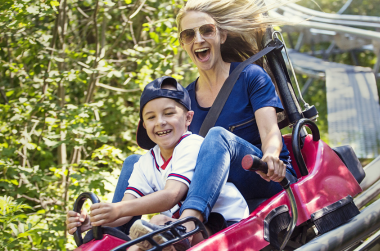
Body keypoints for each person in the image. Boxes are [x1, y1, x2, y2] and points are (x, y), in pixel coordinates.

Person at [110, 0, 296, 244]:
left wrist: (271, 155)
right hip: (215, 189)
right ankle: (109, 232)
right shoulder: (184, 100)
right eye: (189, 34)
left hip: (263, 174)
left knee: (217, 137)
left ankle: (187, 225)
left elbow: (270, 133)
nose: (198, 39)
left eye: (206, 30)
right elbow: (173, 156)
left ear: (221, 35)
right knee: (135, 162)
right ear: (184, 43)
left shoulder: (250, 77)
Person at [66, 76, 249, 250]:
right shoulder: (145, 163)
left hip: (225, 223)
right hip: (181, 228)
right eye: (151, 117)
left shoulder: (192, 144)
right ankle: (168, 244)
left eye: (169, 113)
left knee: (156, 225)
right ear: (144, 125)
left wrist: (118, 209)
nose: (160, 122)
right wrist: (94, 220)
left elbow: (172, 194)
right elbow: (126, 210)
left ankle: (170, 241)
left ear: (188, 118)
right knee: (149, 232)